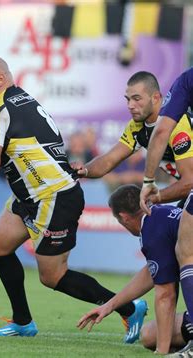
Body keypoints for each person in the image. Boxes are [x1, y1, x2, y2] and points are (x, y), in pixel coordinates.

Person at [0, 55, 146, 341]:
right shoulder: (23, 98)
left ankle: (129, 307)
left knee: (52, 277)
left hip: (53, 197)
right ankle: (22, 322)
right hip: (30, 195)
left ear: (0, 79)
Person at [77, 185, 193, 354]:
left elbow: (165, 295)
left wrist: (161, 350)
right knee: (148, 333)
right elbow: (151, 273)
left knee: (149, 336)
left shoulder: (152, 231)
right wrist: (108, 306)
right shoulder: (162, 214)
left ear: (123, 218)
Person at [73, 71, 193, 203]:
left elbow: (189, 182)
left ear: (155, 98)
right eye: (128, 99)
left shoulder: (178, 125)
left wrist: (152, 198)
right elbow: (109, 160)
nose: (130, 105)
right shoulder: (136, 126)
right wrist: (84, 170)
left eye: (136, 99)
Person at [140, 67, 193, 356]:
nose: (132, 105)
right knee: (149, 334)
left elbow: (162, 131)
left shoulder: (187, 81)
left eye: (137, 98)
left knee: (187, 251)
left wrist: (150, 184)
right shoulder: (134, 128)